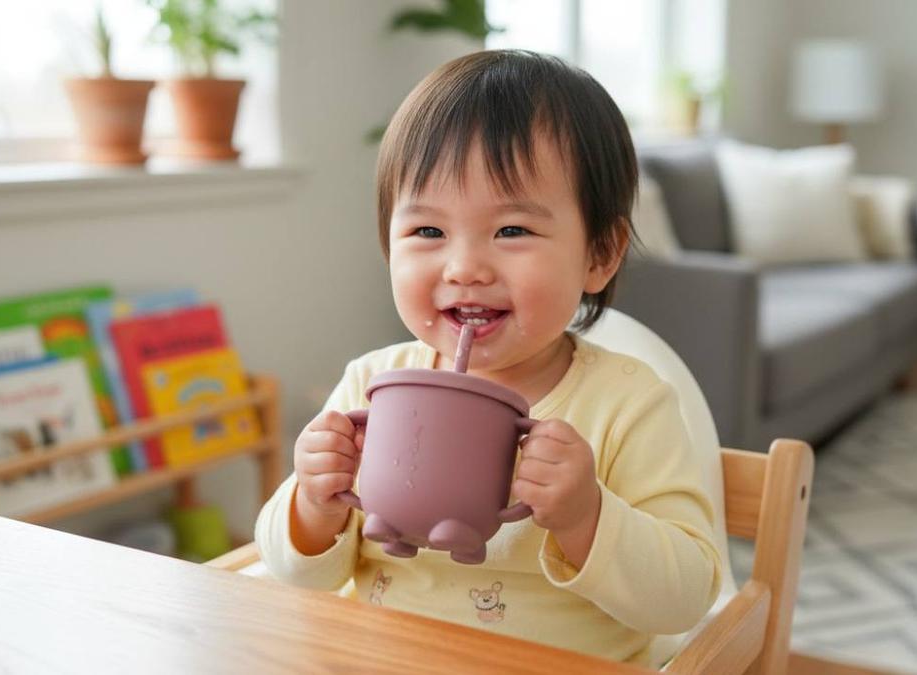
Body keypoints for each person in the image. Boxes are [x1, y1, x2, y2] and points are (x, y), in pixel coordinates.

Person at [256, 49, 722, 665]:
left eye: (512, 231)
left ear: (599, 255)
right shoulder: (372, 385)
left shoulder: (628, 404)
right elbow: (294, 574)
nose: (465, 268)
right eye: (427, 231)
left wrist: (586, 516)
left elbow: (684, 600)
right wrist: (313, 504)